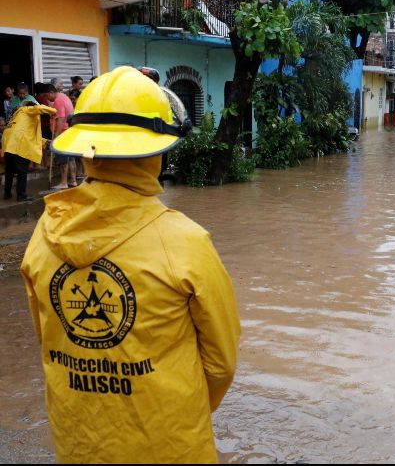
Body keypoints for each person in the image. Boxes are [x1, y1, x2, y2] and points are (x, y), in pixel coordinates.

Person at [20, 66, 240, 463]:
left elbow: (49, 339)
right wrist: (176, 407)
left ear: (85, 147)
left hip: (79, 441)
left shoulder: (43, 234)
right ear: (156, 151)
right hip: (169, 446)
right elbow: (221, 363)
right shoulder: (185, 243)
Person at [2, 100, 56, 201]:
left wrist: (45, 141)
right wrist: (53, 111)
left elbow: (30, 134)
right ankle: (21, 195)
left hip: (9, 144)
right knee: (22, 171)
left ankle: (7, 193)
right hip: (19, 144)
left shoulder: (18, 115)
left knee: (9, 170)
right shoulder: (27, 109)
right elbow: (39, 109)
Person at [49, 79, 75, 190]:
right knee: (70, 158)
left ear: (51, 92)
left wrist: (56, 136)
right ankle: (73, 181)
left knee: (63, 159)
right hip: (69, 131)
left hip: (63, 133)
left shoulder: (58, 100)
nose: (47, 99)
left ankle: (63, 182)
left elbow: (61, 119)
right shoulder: (64, 97)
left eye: (47, 96)